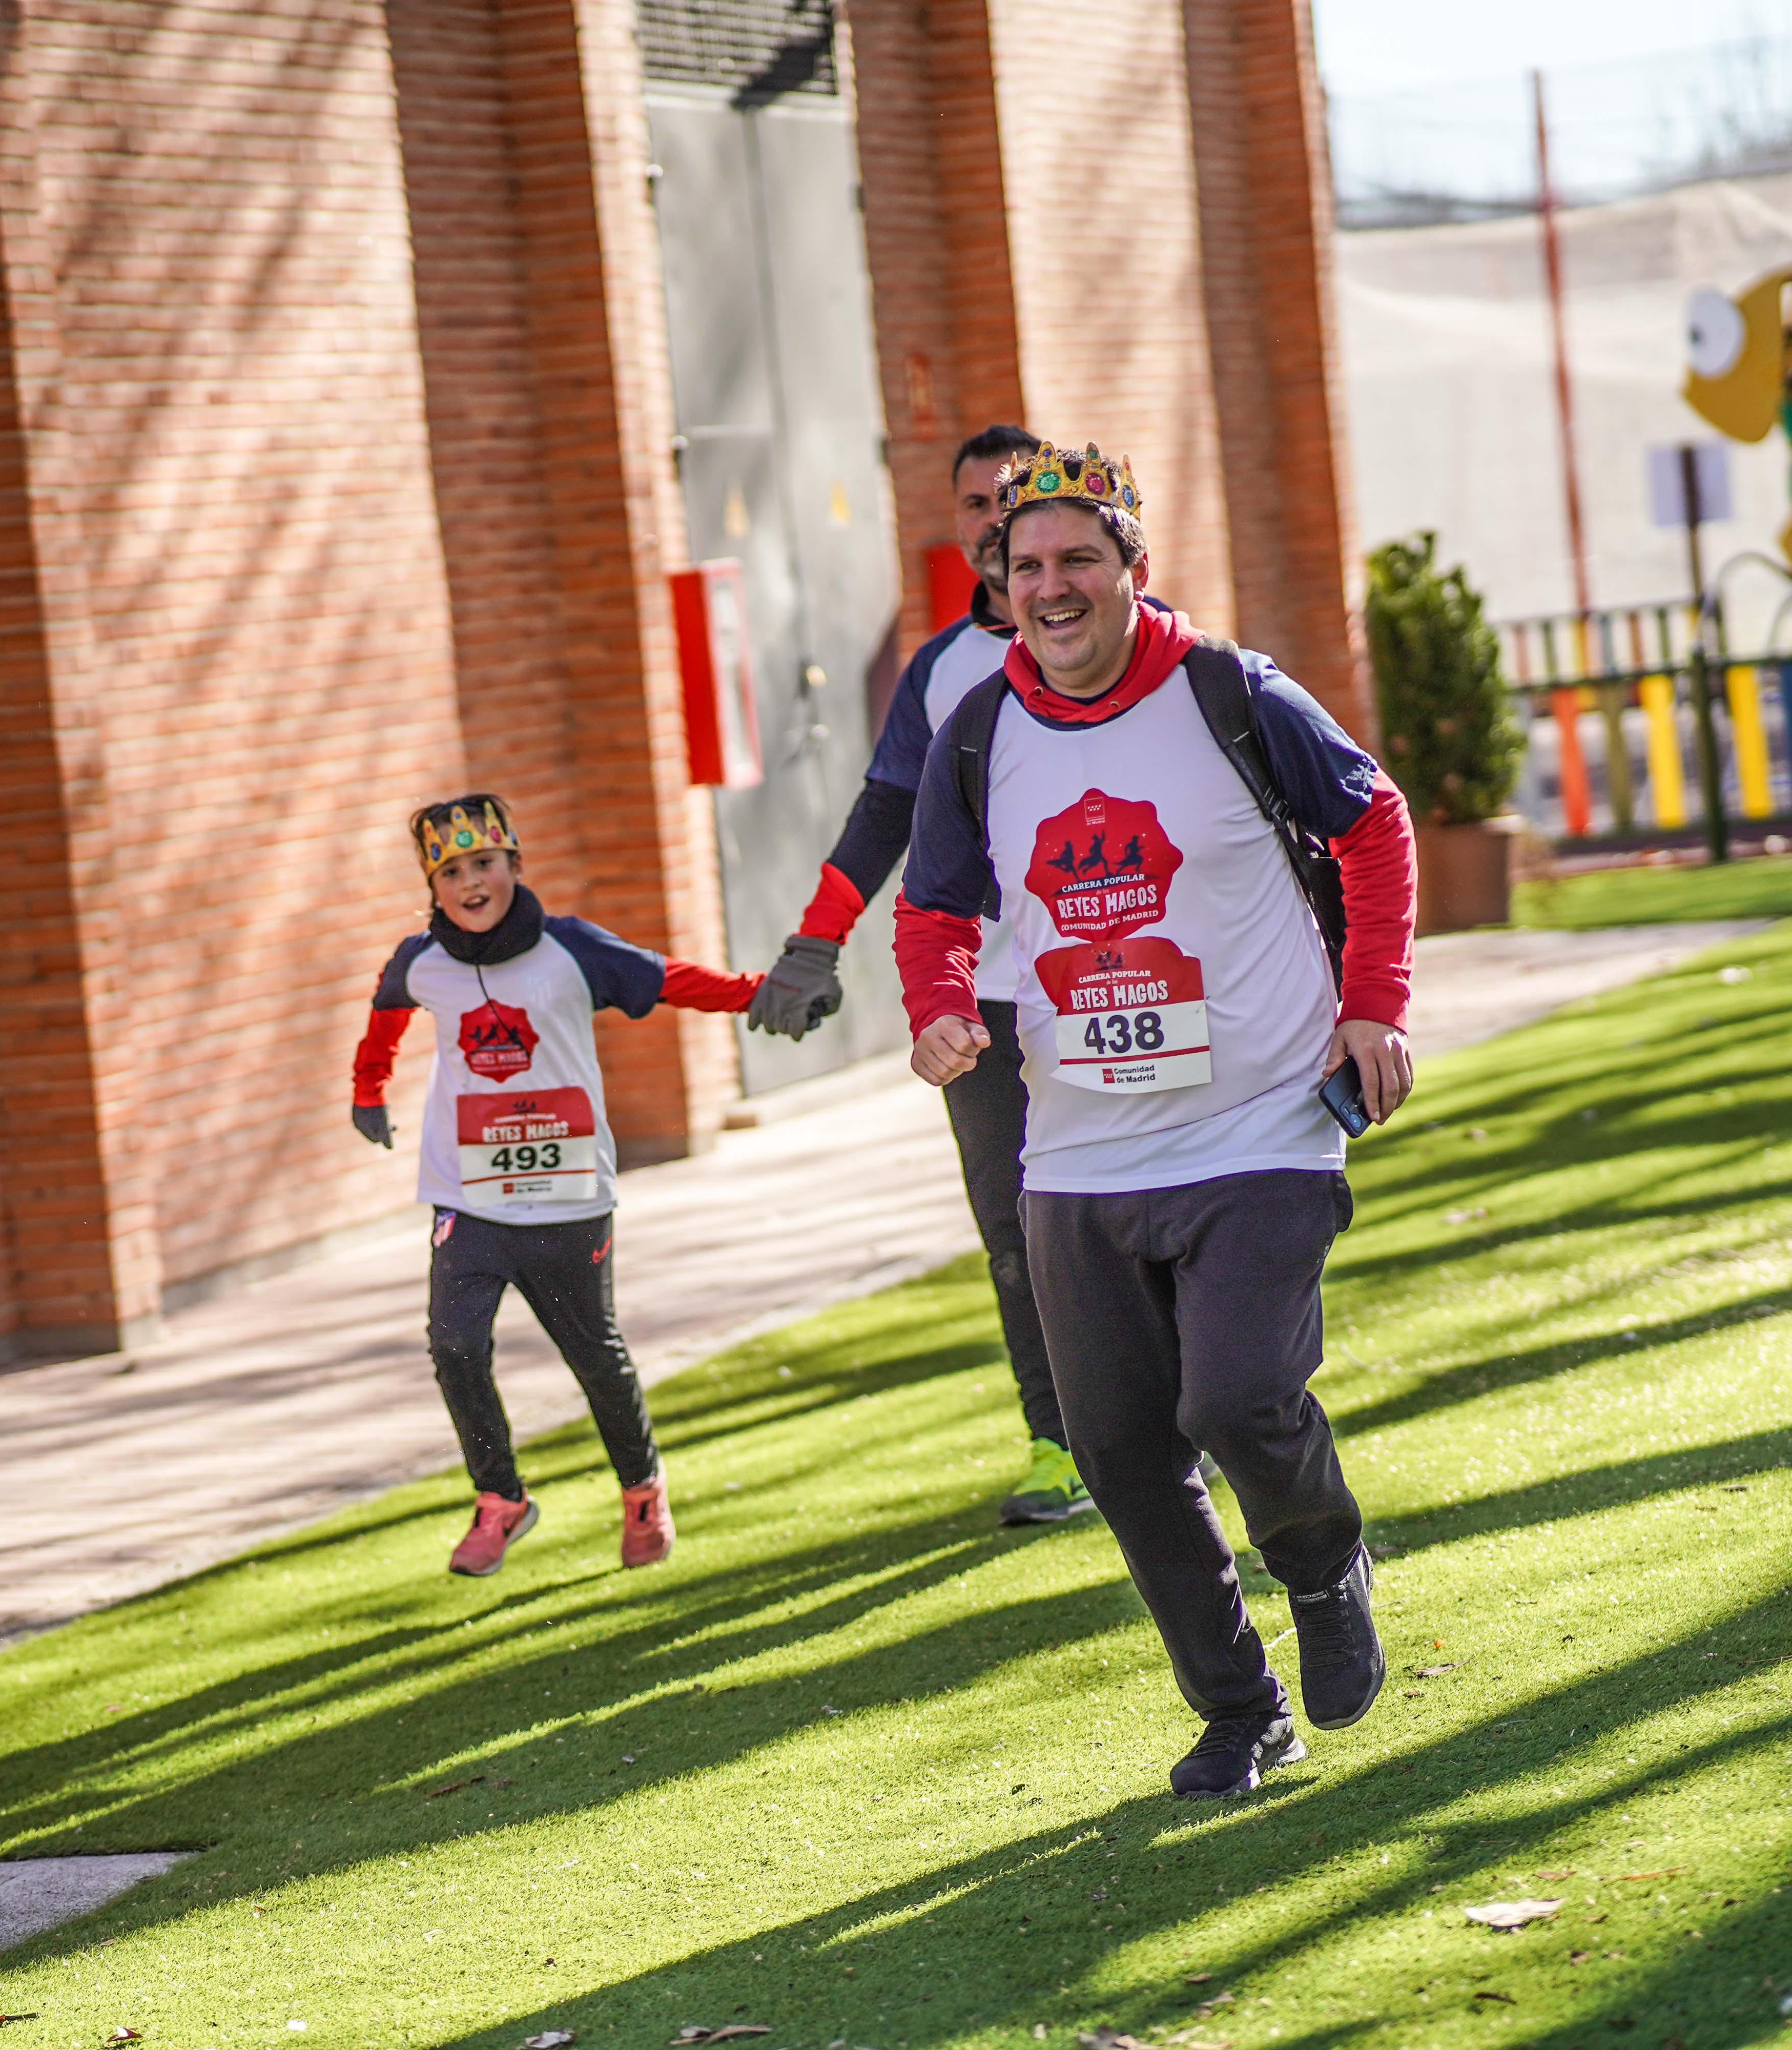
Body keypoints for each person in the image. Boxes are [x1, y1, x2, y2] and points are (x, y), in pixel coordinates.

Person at [892, 443, 1417, 1798]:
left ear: (1135, 569)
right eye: (1026, 569)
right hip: (1078, 1152)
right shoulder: (979, 734)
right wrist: (942, 1003)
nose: (1052, 588)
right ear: (999, 592)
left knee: (1237, 1395)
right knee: (1123, 1452)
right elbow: (937, 905)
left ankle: (1324, 1559)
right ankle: (1243, 1714)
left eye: (1079, 560)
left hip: (1261, 1124)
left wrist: (1376, 1003)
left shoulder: (1229, 694)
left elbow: (1374, 823)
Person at [744, 422, 1094, 1526]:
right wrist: (815, 938)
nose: (996, 521)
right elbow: (887, 806)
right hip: (982, 998)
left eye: (1015, 496)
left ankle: (1186, 1411)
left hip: (1117, 977)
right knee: (1018, 1227)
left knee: (1148, 1198)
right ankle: (1060, 1442)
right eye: (976, 505)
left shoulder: (1124, 644)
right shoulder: (940, 671)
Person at [351, 794, 787, 1577]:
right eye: (452, 871)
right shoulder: (423, 962)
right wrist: (368, 1091)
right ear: (434, 886)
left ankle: (642, 1492)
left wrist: (762, 993)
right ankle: (501, 1500)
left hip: (569, 1196)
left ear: (515, 866)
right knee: (455, 1347)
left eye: (485, 863)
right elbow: (385, 1015)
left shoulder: (572, 951)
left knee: (594, 1356)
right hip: (469, 1195)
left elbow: (670, 979)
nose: (472, 882)